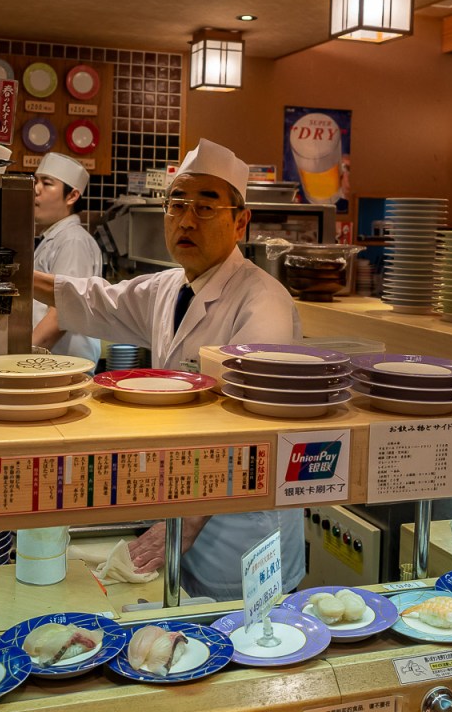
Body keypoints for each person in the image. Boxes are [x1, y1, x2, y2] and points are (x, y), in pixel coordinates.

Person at [33, 138, 303, 601]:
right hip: (183, 507)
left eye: (205, 207)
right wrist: (2, 276)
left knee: (249, 645)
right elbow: (90, 298)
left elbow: (257, 429)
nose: (186, 219)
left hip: (242, 529)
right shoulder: (167, 287)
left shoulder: (264, 302)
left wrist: (189, 520)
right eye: (177, 204)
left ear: (240, 222)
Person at [32, 152, 102, 365]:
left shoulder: (73, 241)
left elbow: (63, 309)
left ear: (72, 196)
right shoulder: (54, 238)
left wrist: (22, 358)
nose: (36, 189)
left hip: (63, 367)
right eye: (36, 181)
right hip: (50, 365)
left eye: (47, 183)